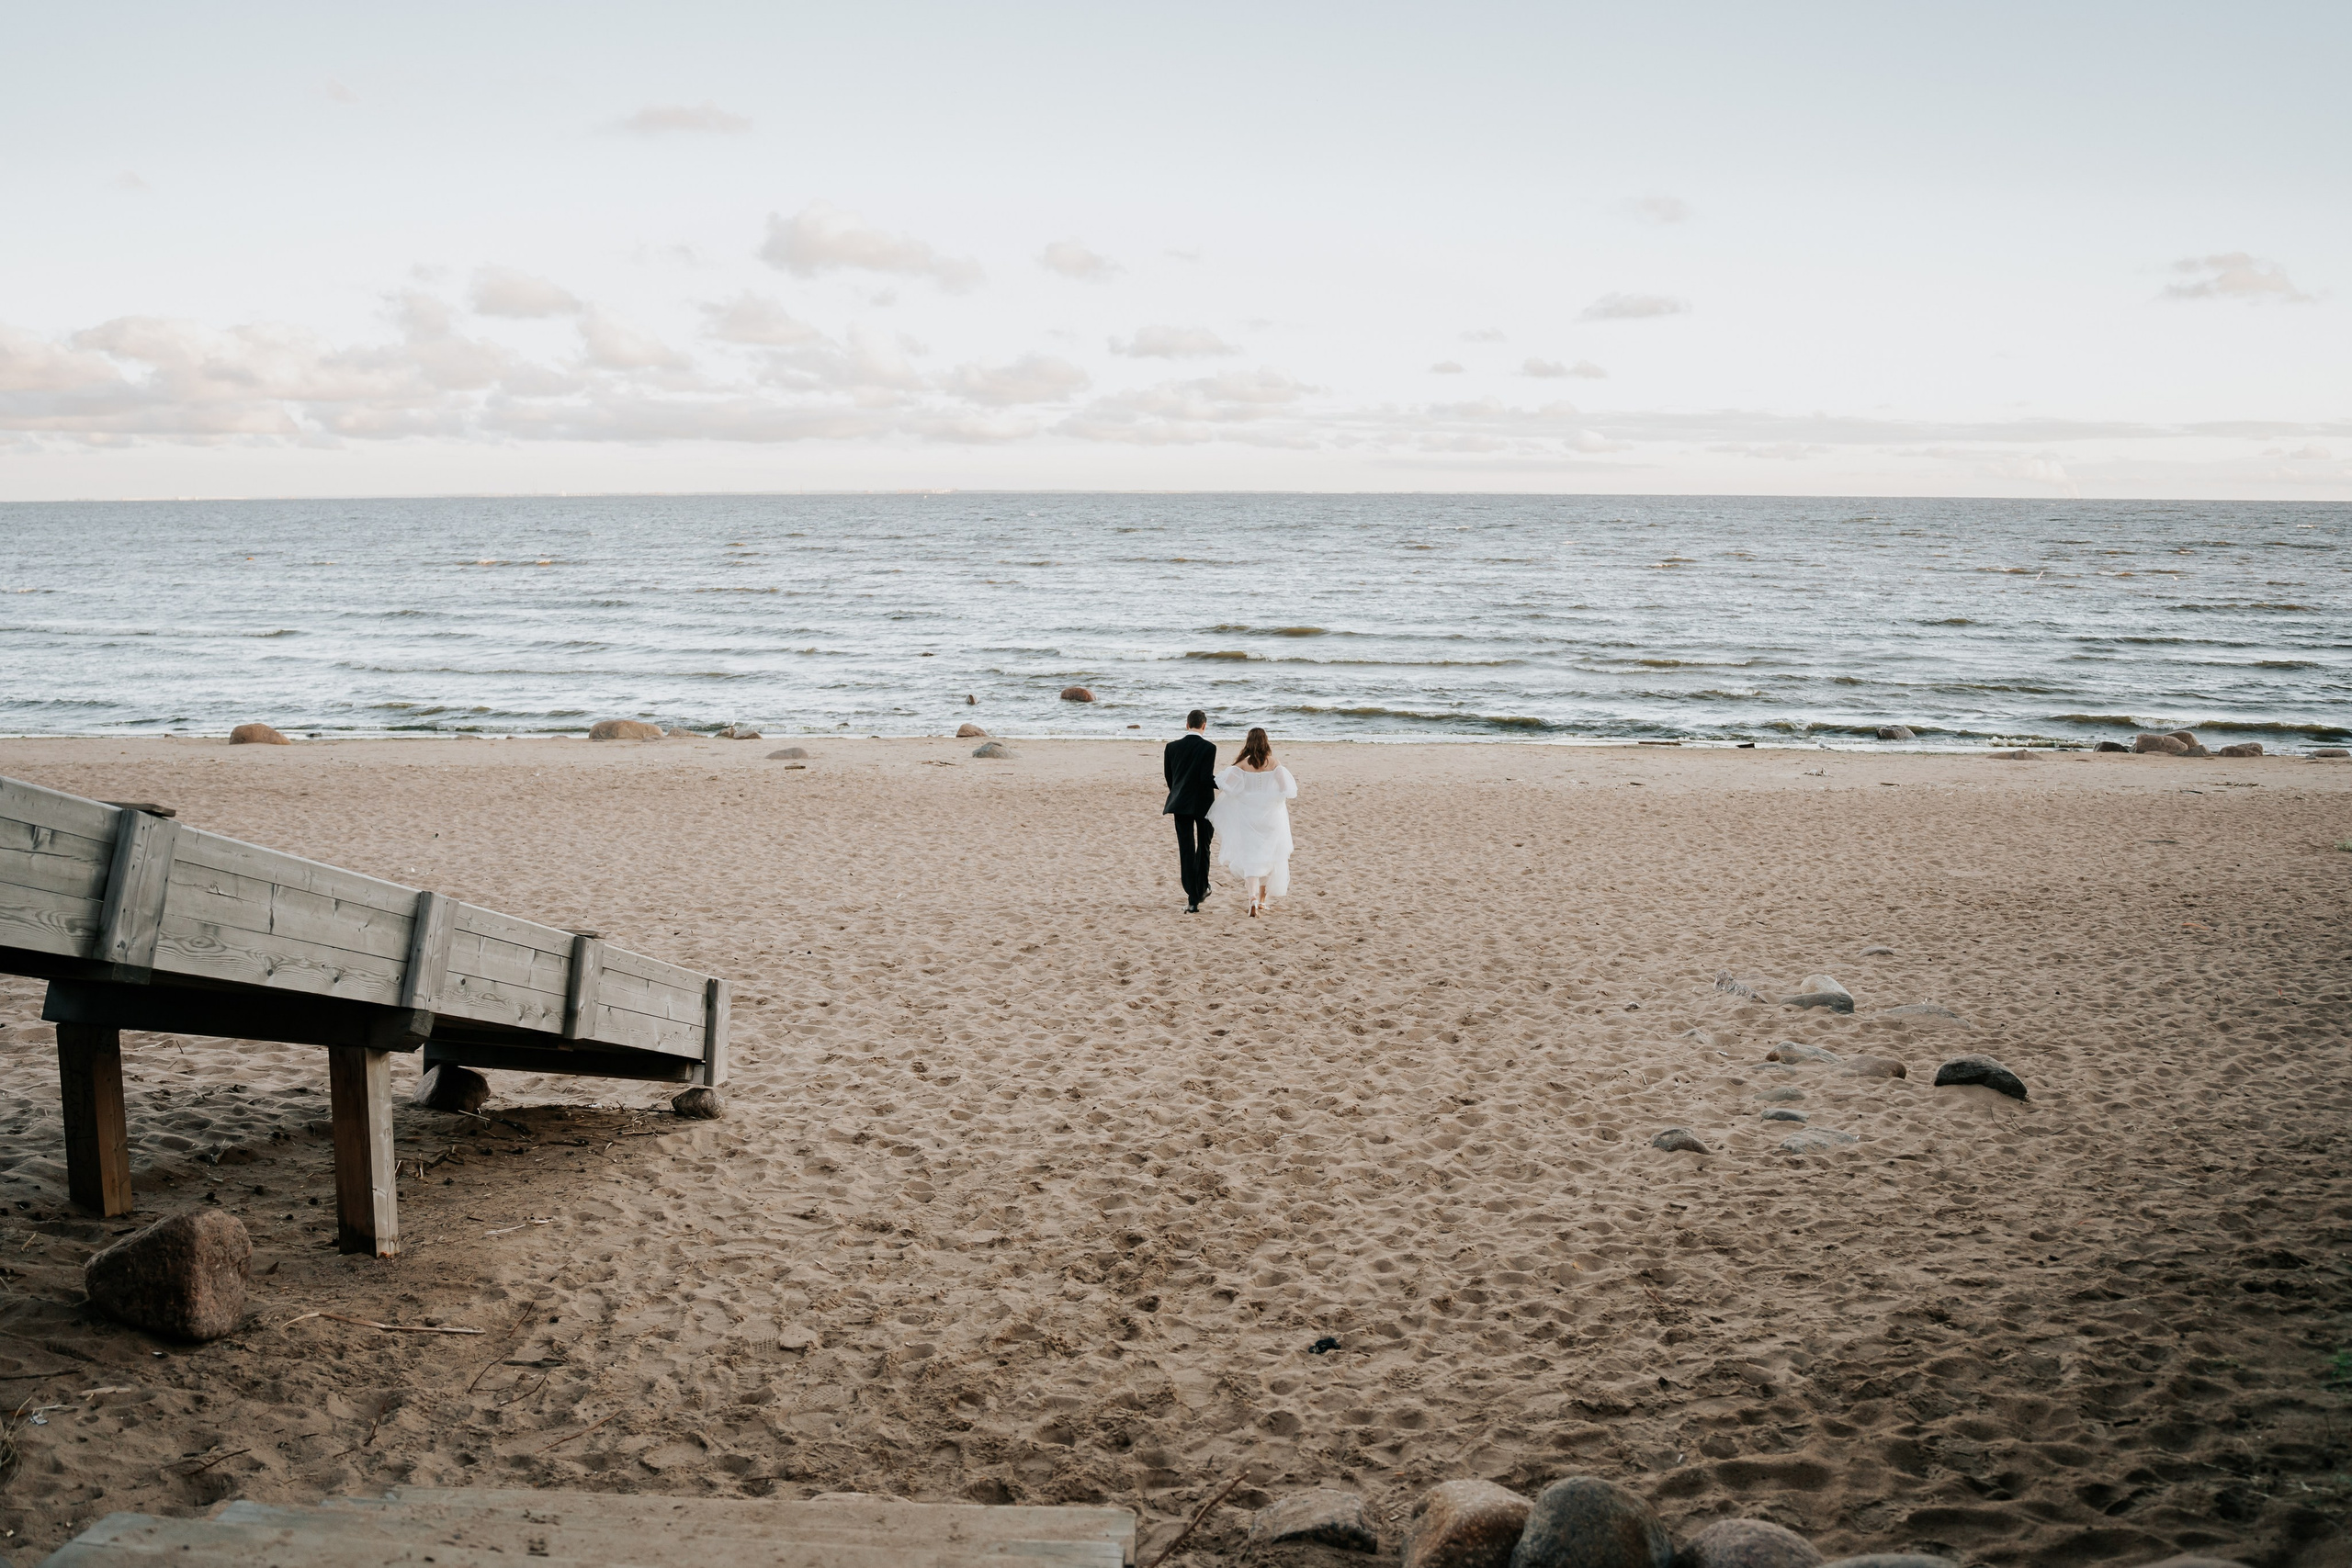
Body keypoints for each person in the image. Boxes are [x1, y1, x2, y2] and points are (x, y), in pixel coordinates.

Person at [1206, 727, 1296, 916]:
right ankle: (1262, 901)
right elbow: (1286, 788)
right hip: (1270, 817)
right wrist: (1272, 800)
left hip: (1248, 817)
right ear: (1266, 742)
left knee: (1251, 858)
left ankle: (1252, 899)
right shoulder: (1273, 762)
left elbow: (1225, 784)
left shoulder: (1243, 764)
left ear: (1249, 742)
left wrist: (1243, 795)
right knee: (1270, 856)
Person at [1161, 709, 1218, 913]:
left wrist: (1178, 793)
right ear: (1204, 726)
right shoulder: (1209, 748)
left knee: (1186, 849)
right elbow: (1205, 778)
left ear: (1187, 725)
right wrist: (1221, 782)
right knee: (1204, 847)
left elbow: (1170, 778)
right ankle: (1201, 889)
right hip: (1203, 805)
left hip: (1181, 803)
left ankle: (1193, 899)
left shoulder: (1172, 747)